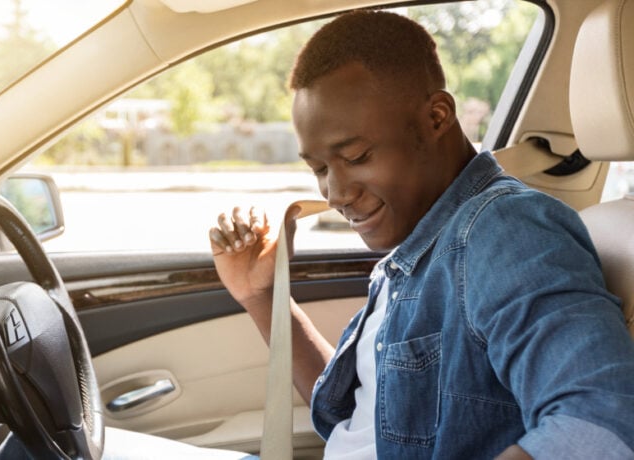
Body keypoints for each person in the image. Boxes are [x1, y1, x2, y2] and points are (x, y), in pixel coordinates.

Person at [209, 9, 634, 460]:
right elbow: (368, 421)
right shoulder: (422, 245)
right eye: (318, 168)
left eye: (356, 156)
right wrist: (263, 296)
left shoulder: (505, 231)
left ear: (436, 117)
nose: (334, 194)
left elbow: (602, 422)